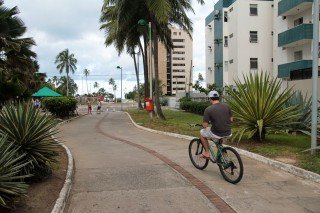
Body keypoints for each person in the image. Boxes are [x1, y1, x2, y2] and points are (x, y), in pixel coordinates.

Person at [200, 90, 233, 159]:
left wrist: (207, 123)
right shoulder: (227, 106)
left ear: (210, 98)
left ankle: (207, 153)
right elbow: (231, 120)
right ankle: (222, 154)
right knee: (218, 139)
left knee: (202, 133)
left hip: (217, 133)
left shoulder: (208, 109)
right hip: (229, 132)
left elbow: (205, 125)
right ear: (218, 98)